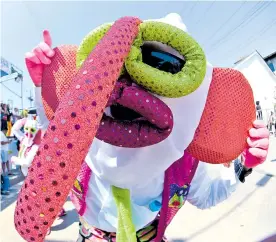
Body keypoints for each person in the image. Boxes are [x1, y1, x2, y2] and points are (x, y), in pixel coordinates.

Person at [14, 14, 269, 242]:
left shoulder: (185, 158)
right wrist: (41, 87)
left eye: (163, 65)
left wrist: (242, 165)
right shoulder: (83, 132)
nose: (133, 90)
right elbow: (54, 133)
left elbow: (207, 196)